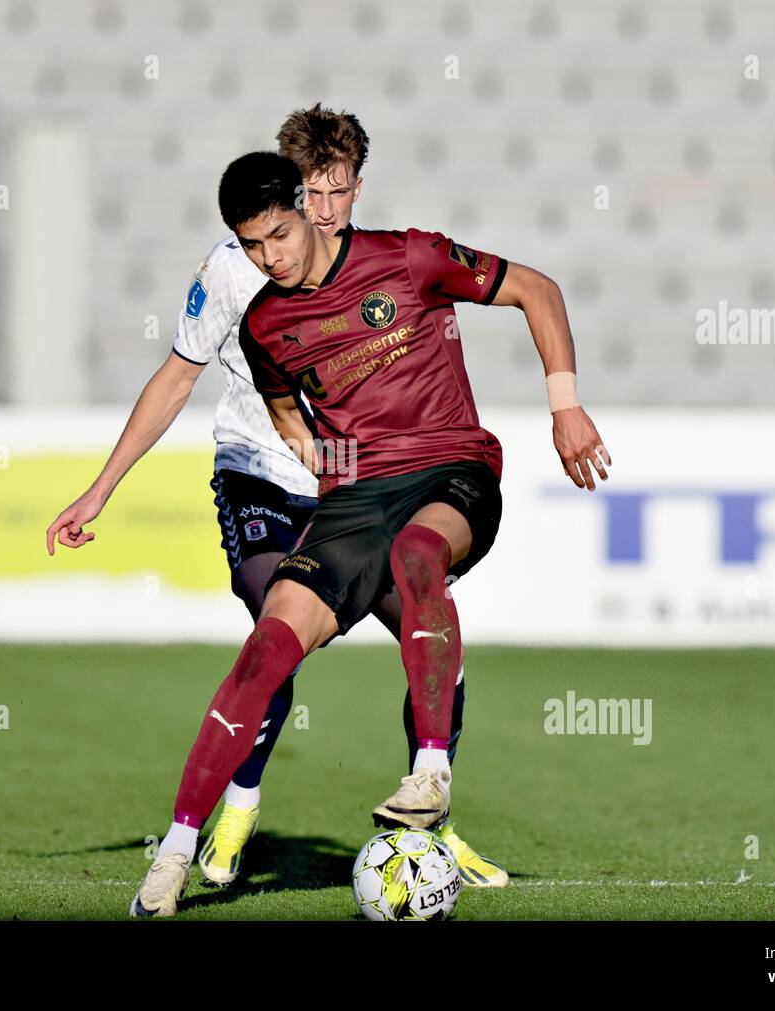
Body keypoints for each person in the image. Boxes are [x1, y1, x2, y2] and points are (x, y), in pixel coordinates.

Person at [127, 151, 610, 917]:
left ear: (305, 207)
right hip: (358, 496)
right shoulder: (265, 325)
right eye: (251, 246)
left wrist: (566, 406)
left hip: (452, 469)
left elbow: (536, 289)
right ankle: (179, 849)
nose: (269, 257)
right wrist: (327, 466)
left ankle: (430, 777)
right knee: (268, 643)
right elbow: (287, 411)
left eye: (278, 234)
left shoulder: (409, 256)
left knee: (418, 555)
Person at [47, 106, 503, 895]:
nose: (327, 211)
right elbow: (177, 375)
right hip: (263, 469)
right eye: (314, 195)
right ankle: (238, 804)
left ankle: (431, 824)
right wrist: (101, 487)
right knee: (276, 625)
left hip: (355, 486)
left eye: (340, 194)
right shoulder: (232, 270)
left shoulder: (371, 260)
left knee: (438, 642)